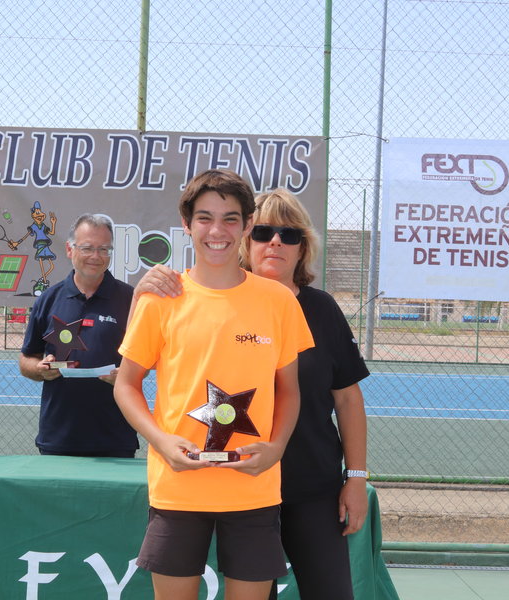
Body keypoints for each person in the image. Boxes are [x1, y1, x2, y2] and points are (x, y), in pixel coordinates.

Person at [138, 188, 370, 600]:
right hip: (236, 483)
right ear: (247, 237)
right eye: (263, 232)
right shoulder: (191, 296)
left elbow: (348, 399)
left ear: (303, 247)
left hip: (308, 484)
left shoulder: (319, 309)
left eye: (289, 234)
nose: (275, 242)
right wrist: (142, 293)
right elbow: (138, 366)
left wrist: (356, 478)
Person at [114, 170, 314, 600]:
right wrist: (161, 442)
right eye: (204, 218)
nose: (217, 231)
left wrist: (276, 448)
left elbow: (289, 390)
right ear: (187, 225)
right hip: (178, 489)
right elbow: (126, 385)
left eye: (230, 219)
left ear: (246, 225)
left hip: (253, 489)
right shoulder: (161, 298)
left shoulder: (278, 300)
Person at [19, 213, 138, 457]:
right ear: (69, 249)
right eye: (87, 248)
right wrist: (39, 369)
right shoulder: (48, 299)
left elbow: (143, 362)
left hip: (115, 437)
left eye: (104, 249)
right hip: (58, 437)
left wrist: (127, 375)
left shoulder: (130, 299)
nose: (96, 256)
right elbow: (26, 360)